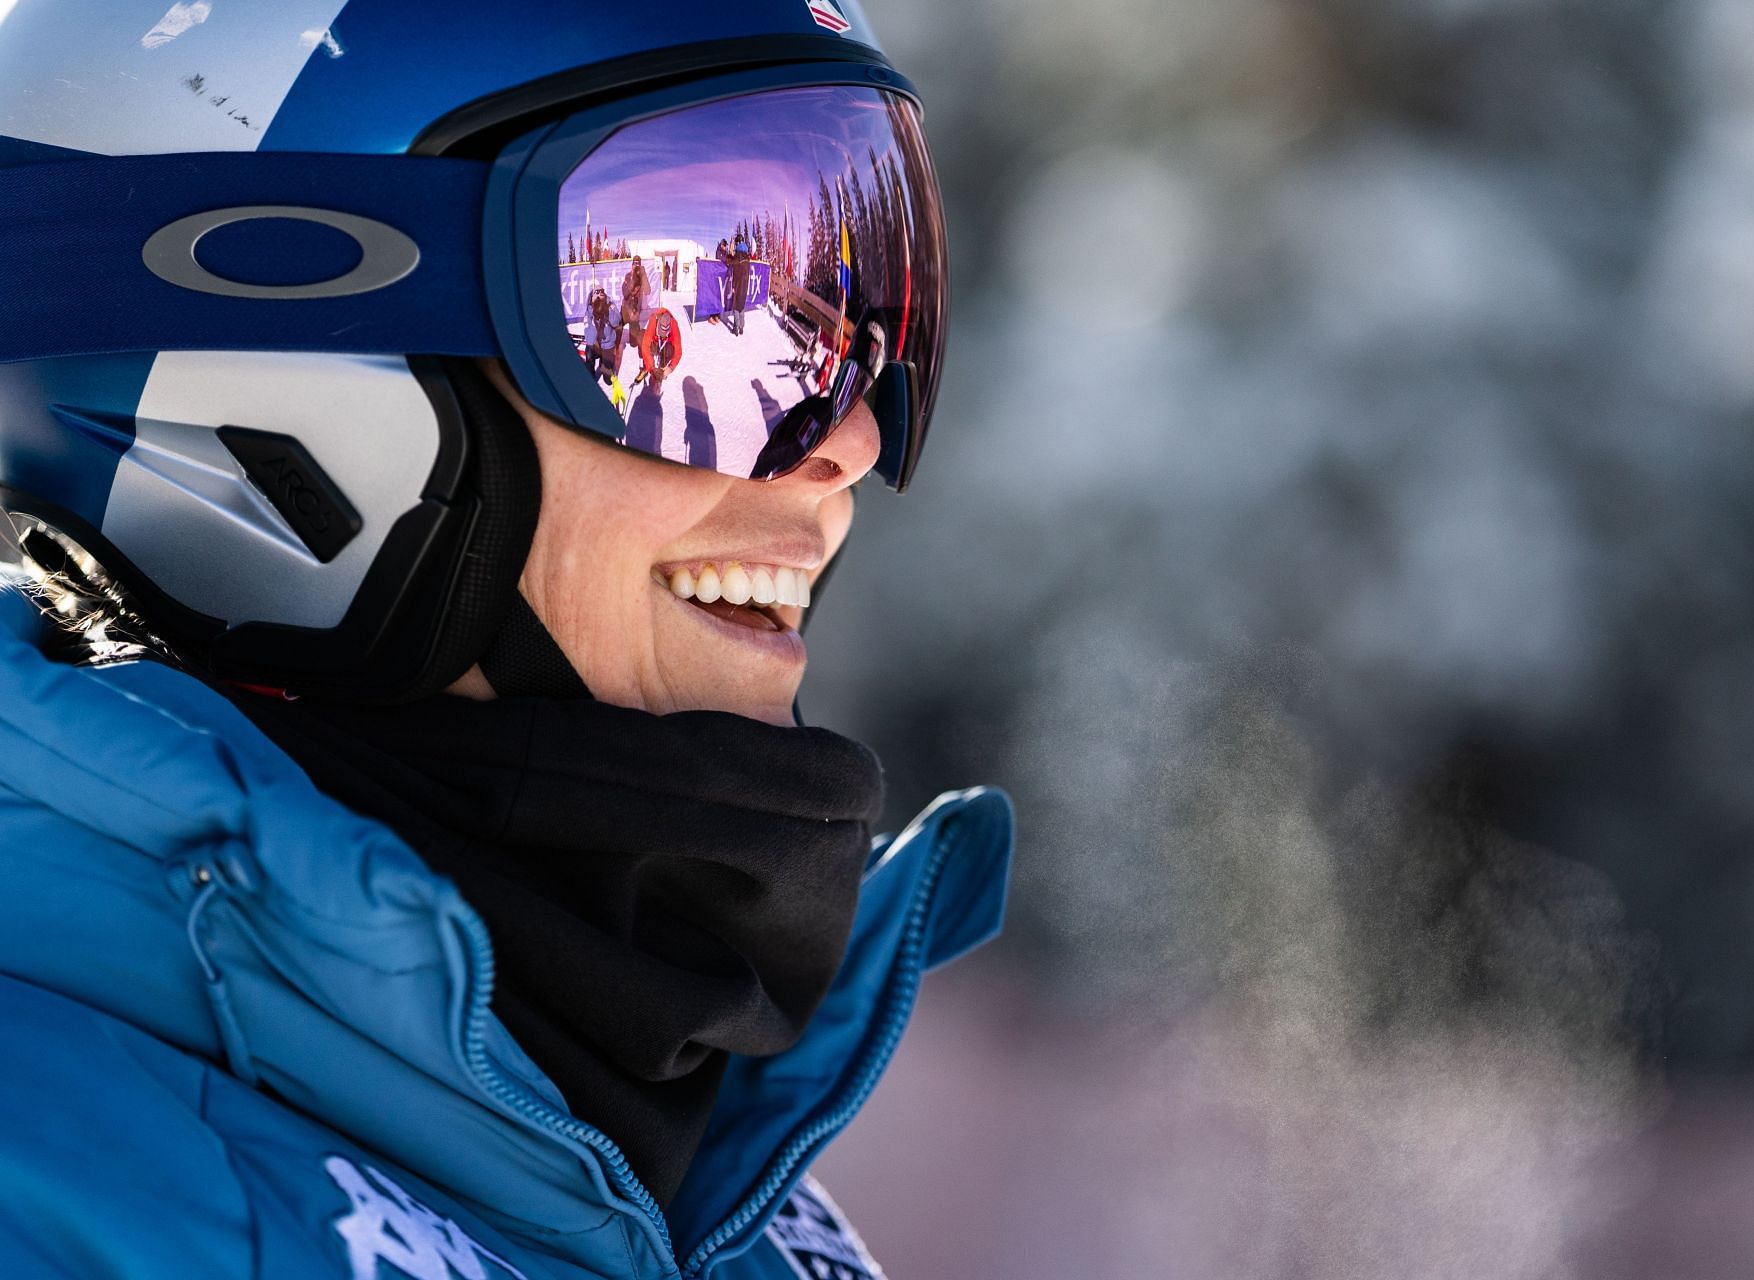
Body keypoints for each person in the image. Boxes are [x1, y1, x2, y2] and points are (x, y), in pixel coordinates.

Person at [0, 8, 1010, 1280]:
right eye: (696, 303)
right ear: (261, 365)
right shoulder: (43, 1189)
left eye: (864, 306)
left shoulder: (718, 1188)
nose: (848, 442)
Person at [582, 285, 624, 386]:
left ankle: (604, 362)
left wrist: (607, 311)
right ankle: (590, 377)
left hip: (608, 345)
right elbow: (589, 338)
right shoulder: (589, 310)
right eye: (596, 292)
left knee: (608, 381)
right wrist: (594, 312)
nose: (600, 294)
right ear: (591, 297)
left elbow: (616, 322)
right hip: (595, 344)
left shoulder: (610, 304)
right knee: (589, 353)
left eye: (602, 292)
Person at [635, 305, 684, 391]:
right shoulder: (654, 319)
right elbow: (645, 346)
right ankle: (644, 369)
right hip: (655, 343)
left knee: (670, 350)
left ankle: (661, 369)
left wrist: (671, 367)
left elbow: (678, 351)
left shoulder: (674, 324)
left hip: (665, 345)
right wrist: (651, 368)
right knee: (640, 337)